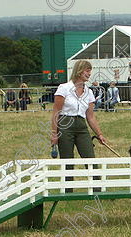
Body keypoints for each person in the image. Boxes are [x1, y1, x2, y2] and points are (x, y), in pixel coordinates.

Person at [51, 60, 108, 192]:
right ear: (79, 71)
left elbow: (91, 116)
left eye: (90, 71)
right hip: (65, 125)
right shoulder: (64, 88)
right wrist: (54, 133)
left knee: (90, 157)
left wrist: (99, 134)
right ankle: (68, 191)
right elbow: (56, 113)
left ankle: (97, 190)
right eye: (87, 70)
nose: (89, 73)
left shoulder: (89, 92)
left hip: (82, 127)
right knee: (67, 160)